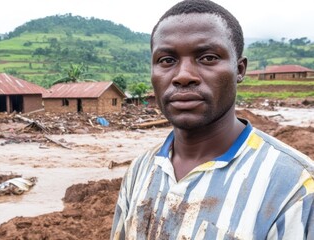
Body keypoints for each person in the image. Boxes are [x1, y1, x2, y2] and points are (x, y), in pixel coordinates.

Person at [110, 0, 314, 239]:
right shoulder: (140, 170)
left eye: (207, 58)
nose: (183, 76)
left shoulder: (295, 187)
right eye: (167, 60)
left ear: (239, 69)